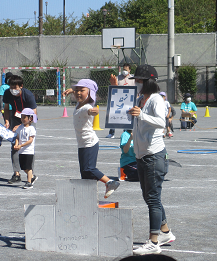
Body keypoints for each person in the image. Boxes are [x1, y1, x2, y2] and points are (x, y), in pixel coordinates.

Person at [128, 65, 175, 255]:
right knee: (149, 197)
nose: (136, 82)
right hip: (142, 155)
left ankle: (153, 242)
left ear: (148, 81)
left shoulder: (156, 99)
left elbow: (161, 123)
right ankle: (164, 231)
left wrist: (142, 115)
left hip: (154, 156)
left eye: (139, 80)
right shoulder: (141, 98)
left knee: (153, 199)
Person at [65, 79, 120, 198]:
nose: (78, 93)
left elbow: (92, 111)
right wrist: (72, 90)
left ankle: (110, 182)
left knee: (89, 168)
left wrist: (95, 111)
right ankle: (88, 197)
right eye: (77, 90)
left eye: (82, 90)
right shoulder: (79, 104)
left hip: (89, 142)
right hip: (82, 144)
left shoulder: (87, 107)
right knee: (85, 173)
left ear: (90, 93)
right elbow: (77, 92)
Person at [3, 75, 37, 184]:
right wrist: (7, 121)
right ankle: (16, 173)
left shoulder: (28, 95)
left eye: (15, 87)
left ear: (21, 86)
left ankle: (30, 174)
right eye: (11, 87)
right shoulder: (8, 93)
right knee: (15, 145)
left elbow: (34, 113)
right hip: (16, 117)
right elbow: (6, 108)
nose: (13, 90)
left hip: (28, 119)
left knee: (27, 146)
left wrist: (23, 124)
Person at [106, 63, 135, 138]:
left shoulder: (133, 79)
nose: (124, 71)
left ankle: (126, 133)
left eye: (126, 70)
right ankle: (111, 133)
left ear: (129, 70)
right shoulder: (118, 78)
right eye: (123, 69)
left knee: (127, 117)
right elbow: (114, 88)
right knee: (114, 115)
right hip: (118, 100)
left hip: (128, 102)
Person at [14, 108, 38, 189]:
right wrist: (17, 144)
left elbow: (30, 140)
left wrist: (21, 145)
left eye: (25, 117)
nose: (23, 119)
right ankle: (32, 177)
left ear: (30, 118)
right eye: (22, 117)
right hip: (21, 151)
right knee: (23, 167)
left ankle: (29, 182)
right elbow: (17, 137)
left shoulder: (31, 129)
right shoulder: (20, 127)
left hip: (28, 151)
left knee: (28, 167)